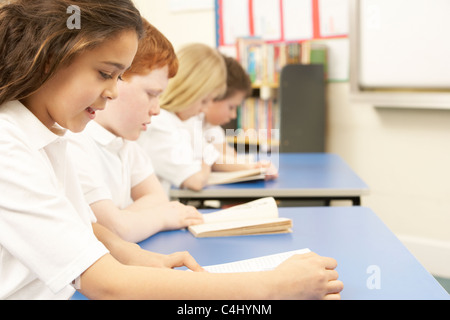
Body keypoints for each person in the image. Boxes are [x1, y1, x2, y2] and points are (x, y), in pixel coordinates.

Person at [0, 0, 343, 300]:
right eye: (106, 73)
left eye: (118, 78)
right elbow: (108, 286)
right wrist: (273, 286)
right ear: (49, 57)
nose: (113, 93)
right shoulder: (8, 144)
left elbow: (81, 224)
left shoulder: (48, 135)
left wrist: (130, 254)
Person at [66, 19, 203, 243]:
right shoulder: (74, 142)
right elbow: (116, 231)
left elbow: (157, 198)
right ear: (115, 77)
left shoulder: (126, 143)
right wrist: (160, 218)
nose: (157, 109)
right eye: (150, 94)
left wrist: (123, 220)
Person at [138, 43, 227, 193]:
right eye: (204, 101)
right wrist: (206, 161)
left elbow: (208, 154)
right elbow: (195, 180)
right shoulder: (159, 122)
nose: (204, 110)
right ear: (189, 91)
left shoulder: (183, 121)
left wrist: (205, 159)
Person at [188, 54, 279, 176]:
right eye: (231, 107)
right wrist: (254, 167)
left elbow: (226, 153)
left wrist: (248, 165)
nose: (233, 115)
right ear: (214, 95)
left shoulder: (208, 122)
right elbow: (214, 160)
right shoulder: (189, 120)